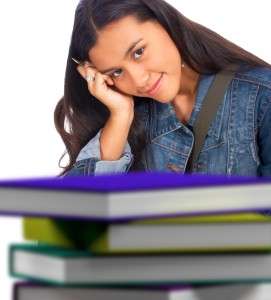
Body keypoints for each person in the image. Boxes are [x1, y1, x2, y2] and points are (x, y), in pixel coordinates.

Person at [54, 0, 271, 177]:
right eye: (116, 72)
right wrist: (120, 116)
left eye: (138, 52)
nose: (138, 80)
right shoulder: (132, 122)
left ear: (165, 24)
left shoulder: (261, 97)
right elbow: (78, 215)